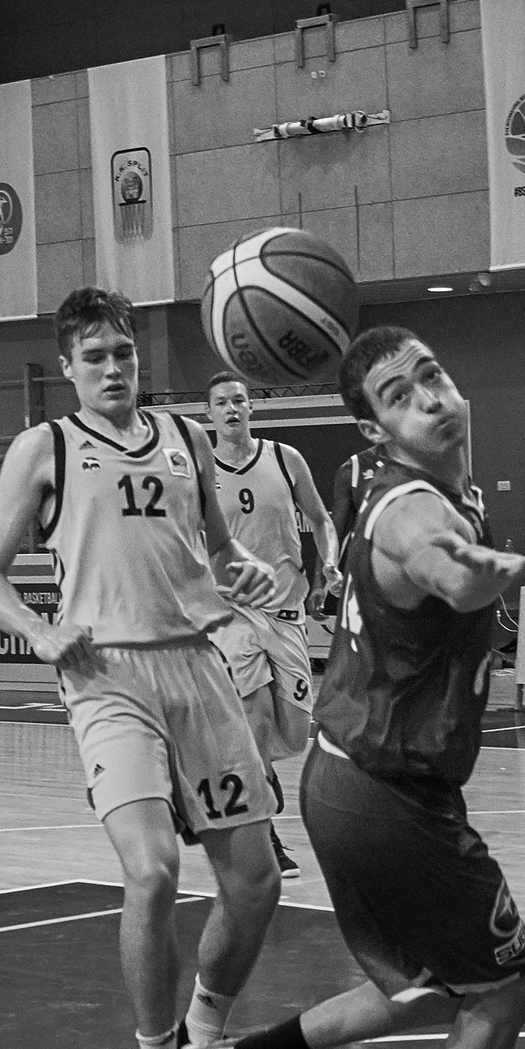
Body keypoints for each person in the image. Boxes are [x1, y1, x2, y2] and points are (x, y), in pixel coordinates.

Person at [186, 326, 525, 1049]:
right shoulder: (415, 512)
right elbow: (435, 562)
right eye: (400, 393)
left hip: (353, 782)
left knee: (436, 983)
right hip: (390, 801)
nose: (430, 396)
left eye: (433, 374)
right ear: (379, 431)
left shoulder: (389, 483)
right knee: (507, 990)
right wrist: (474, 575)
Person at [0, 288, 285, 1049]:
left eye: (125, 355)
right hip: (107, 676)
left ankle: (204, 1041)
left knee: (256, 881)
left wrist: (250, 576)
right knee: (150, 870)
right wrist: (36, 631)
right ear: (67, 366)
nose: (114, 368)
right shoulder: (46, 448)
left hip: (198, 664)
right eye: (96, 356)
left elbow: (218, 553)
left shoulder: (183, 440)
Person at [204, 370, 340, 882]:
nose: (232, 409)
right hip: (232, 614)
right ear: (210, 413)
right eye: (222, 402)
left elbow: (321, 520)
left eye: (239, 400)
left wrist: (328, 563)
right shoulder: (200, 472)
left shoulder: (286, 459)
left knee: (295, 730)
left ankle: (257, 772)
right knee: (255, 716)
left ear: (251, 408)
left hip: (287, 613)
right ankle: (266, 833)